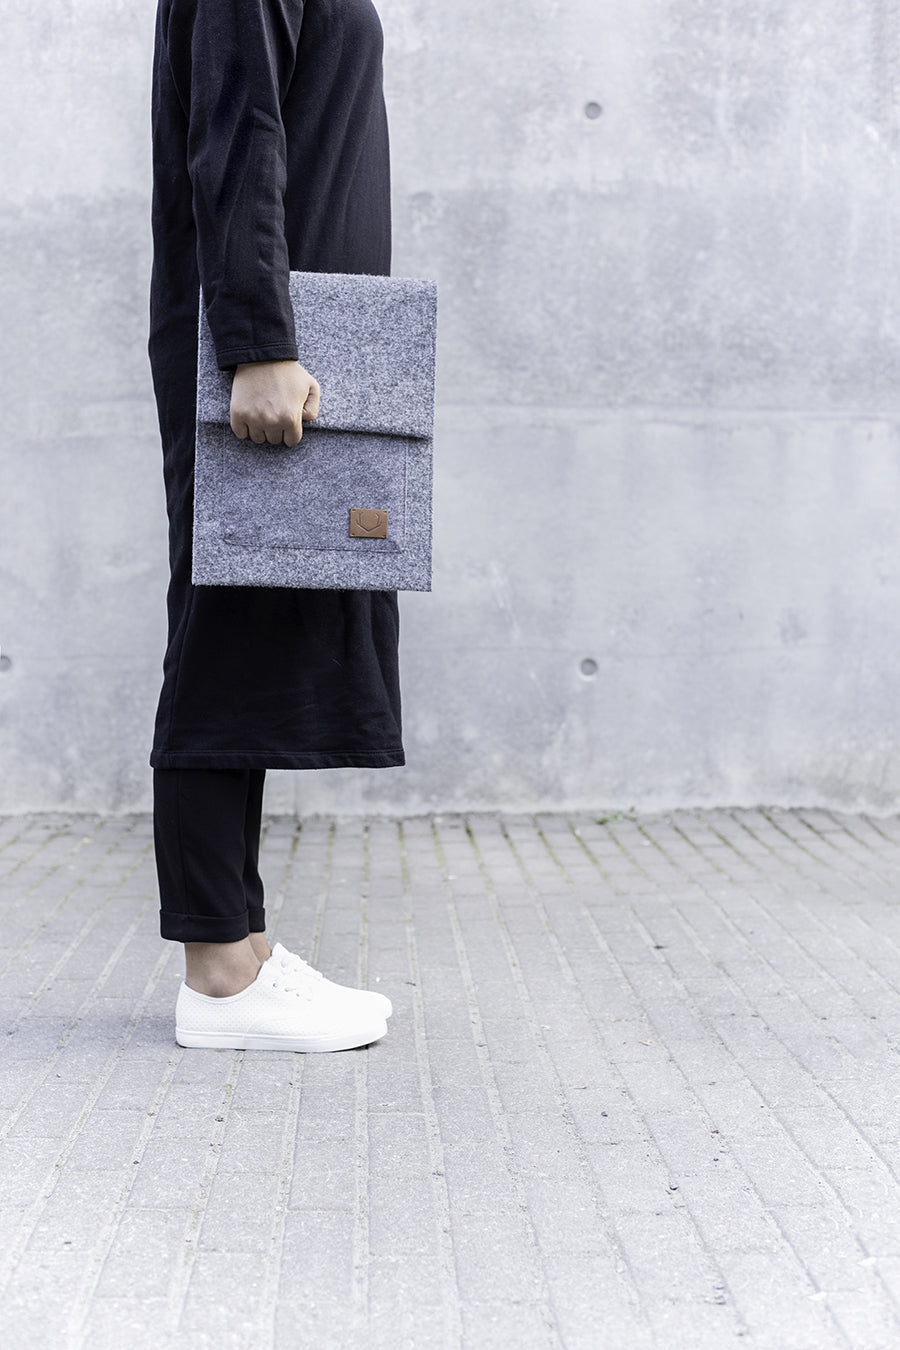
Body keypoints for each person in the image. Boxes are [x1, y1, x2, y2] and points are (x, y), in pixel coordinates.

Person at [148, 0, 400, 1051]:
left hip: (295, 336)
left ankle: (240, 947)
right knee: (227, 630)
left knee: (253, 627)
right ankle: (216, 975)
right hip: (264, 348)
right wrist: (259, 343)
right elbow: (237, 129)